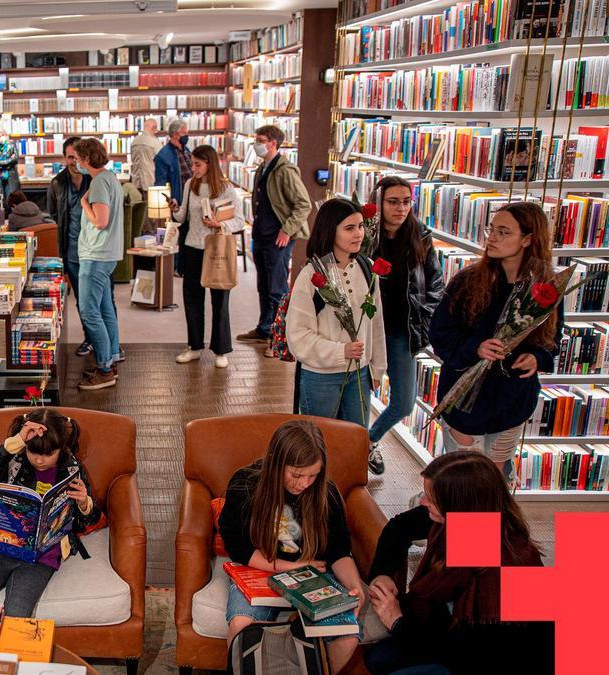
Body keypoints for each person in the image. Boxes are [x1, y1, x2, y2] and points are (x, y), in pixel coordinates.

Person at [364, 451, 551, 674]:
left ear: (460, 506)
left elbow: (468, 656)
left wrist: (397, 621)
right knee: (377, 658)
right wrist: (382, 573)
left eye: (431, 499)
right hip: (449, 635)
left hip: (492, 661)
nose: (423, 502)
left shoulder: (510, 570)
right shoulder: (467, 521)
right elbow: (399, 527)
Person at [429, 201, 562, 483]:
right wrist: (475, 348)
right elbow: (439, 334)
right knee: (464, 479)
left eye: (504, 232)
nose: (493, 238)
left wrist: (538, 357)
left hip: (511, 400)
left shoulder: (545, 288)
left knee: (496, 478)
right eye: (492, 229)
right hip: (463, 399)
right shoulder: (468, 281)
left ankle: (485, 528)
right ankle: (453, 524)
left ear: (528, 239)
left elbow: (553, 340)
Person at [217, 420, 364, 674]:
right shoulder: (246, 484)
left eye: (313, 475)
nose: (304, 483)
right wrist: (292, 566)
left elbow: (340, 550)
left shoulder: (325, 492)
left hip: (314, 576)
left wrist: (355, 586)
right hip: (261, 570)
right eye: (296, 475)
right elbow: (237, 546)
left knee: (347, 636)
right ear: (276, 463)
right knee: (242, 627)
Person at [0, 409, 104, 617]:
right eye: (33, 453)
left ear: (61, 448)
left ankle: (10, 650)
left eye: (48, 454)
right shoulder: (16, 460)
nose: (40, 460)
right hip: (3, 545)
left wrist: (84, 503)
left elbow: (87, 521)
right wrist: (17, 441)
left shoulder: (72, 470)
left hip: (43, 555)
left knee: (18, 610)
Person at [366, 176, 443, 475]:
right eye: (392, 201)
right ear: (379, 202)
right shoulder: (366, 233)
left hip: (402, 332)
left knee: (404, 403)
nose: (400, 208)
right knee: (358, 401)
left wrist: (424, 316)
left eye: (406, 202)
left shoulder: (420, 235)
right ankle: (351, 449)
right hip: (366, 332)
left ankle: (368, 441)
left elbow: (435, 282)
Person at [287, 198, 386, 427]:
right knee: (320, 441)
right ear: (331, 230)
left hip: (359, 374)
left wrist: (378, 368)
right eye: (349, 228)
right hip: (321, 376)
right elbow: (298, 336)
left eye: (361, 226)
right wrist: (341, 351)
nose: (358, 234)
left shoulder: (368, 268)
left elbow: (376, 322)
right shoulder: (311, 276)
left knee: (355, 441)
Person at [237, 125, 311, 348]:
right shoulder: (262, 168)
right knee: (263, 285)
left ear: (273, 143)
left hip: (277, 238)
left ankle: (278, 339)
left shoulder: (285, 170)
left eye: (260, 140)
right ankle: (264, 328)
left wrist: (287, 230)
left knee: (277, 288)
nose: (256, 143)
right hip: (261, 234)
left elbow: (303, 204)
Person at [171, 145, 245, 368]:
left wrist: (218, 223)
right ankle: (194, 346)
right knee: (192, 299)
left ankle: (221, 350)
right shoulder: (189, 185)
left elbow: (239, 220)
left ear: (209, 164)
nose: (193, 168)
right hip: (192, 248)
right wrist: (174, 207)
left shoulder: (225, 189)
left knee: (220, 300)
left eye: (197, 164)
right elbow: (183, 216)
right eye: (192, 163)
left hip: (216, 250)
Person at [73, 138, 124, 391]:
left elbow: (101, 221)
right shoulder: (110, 178)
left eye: (77, 159)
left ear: (86, 159)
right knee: (105, 310)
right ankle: (111, 358)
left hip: (96, 255)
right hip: (107, 253)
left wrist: (84, 204)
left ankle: (104, 368)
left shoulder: (99, 183)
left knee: (89, 311)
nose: (75, 163)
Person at [46, 137, 93, 357]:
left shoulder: (94, 180)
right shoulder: (57, 183)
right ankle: (90, 338)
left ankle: (108, 343)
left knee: (103, 299)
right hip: (72, 251)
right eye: (70, 157)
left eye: (77, 157)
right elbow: (53, 216)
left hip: (96, 250)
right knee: (82, 300)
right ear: (64, 158)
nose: (74, 161)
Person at [154, 118, 192, 206]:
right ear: (175, 134)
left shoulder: (186, 150)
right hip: (178, 202)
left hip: (191, 200)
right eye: (184, 133)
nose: (187, 136)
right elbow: (160, 184)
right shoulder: (163, 156)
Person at [0, 128, 20, 211]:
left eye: (3, 135)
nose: (1, 138)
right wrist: (7, 163)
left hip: (10, 175)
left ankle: (11, 218)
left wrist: (0, 162)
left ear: (6, 136)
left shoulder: (12, 145)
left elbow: (15, 160)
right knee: (0, 199)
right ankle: (2, 219)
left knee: (10, 199)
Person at [129, 118, 162, 190]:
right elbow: (161, 162)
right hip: (150, 181)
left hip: (136, 181)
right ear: (154, 128)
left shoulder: (134, 141)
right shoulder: (155, 142)